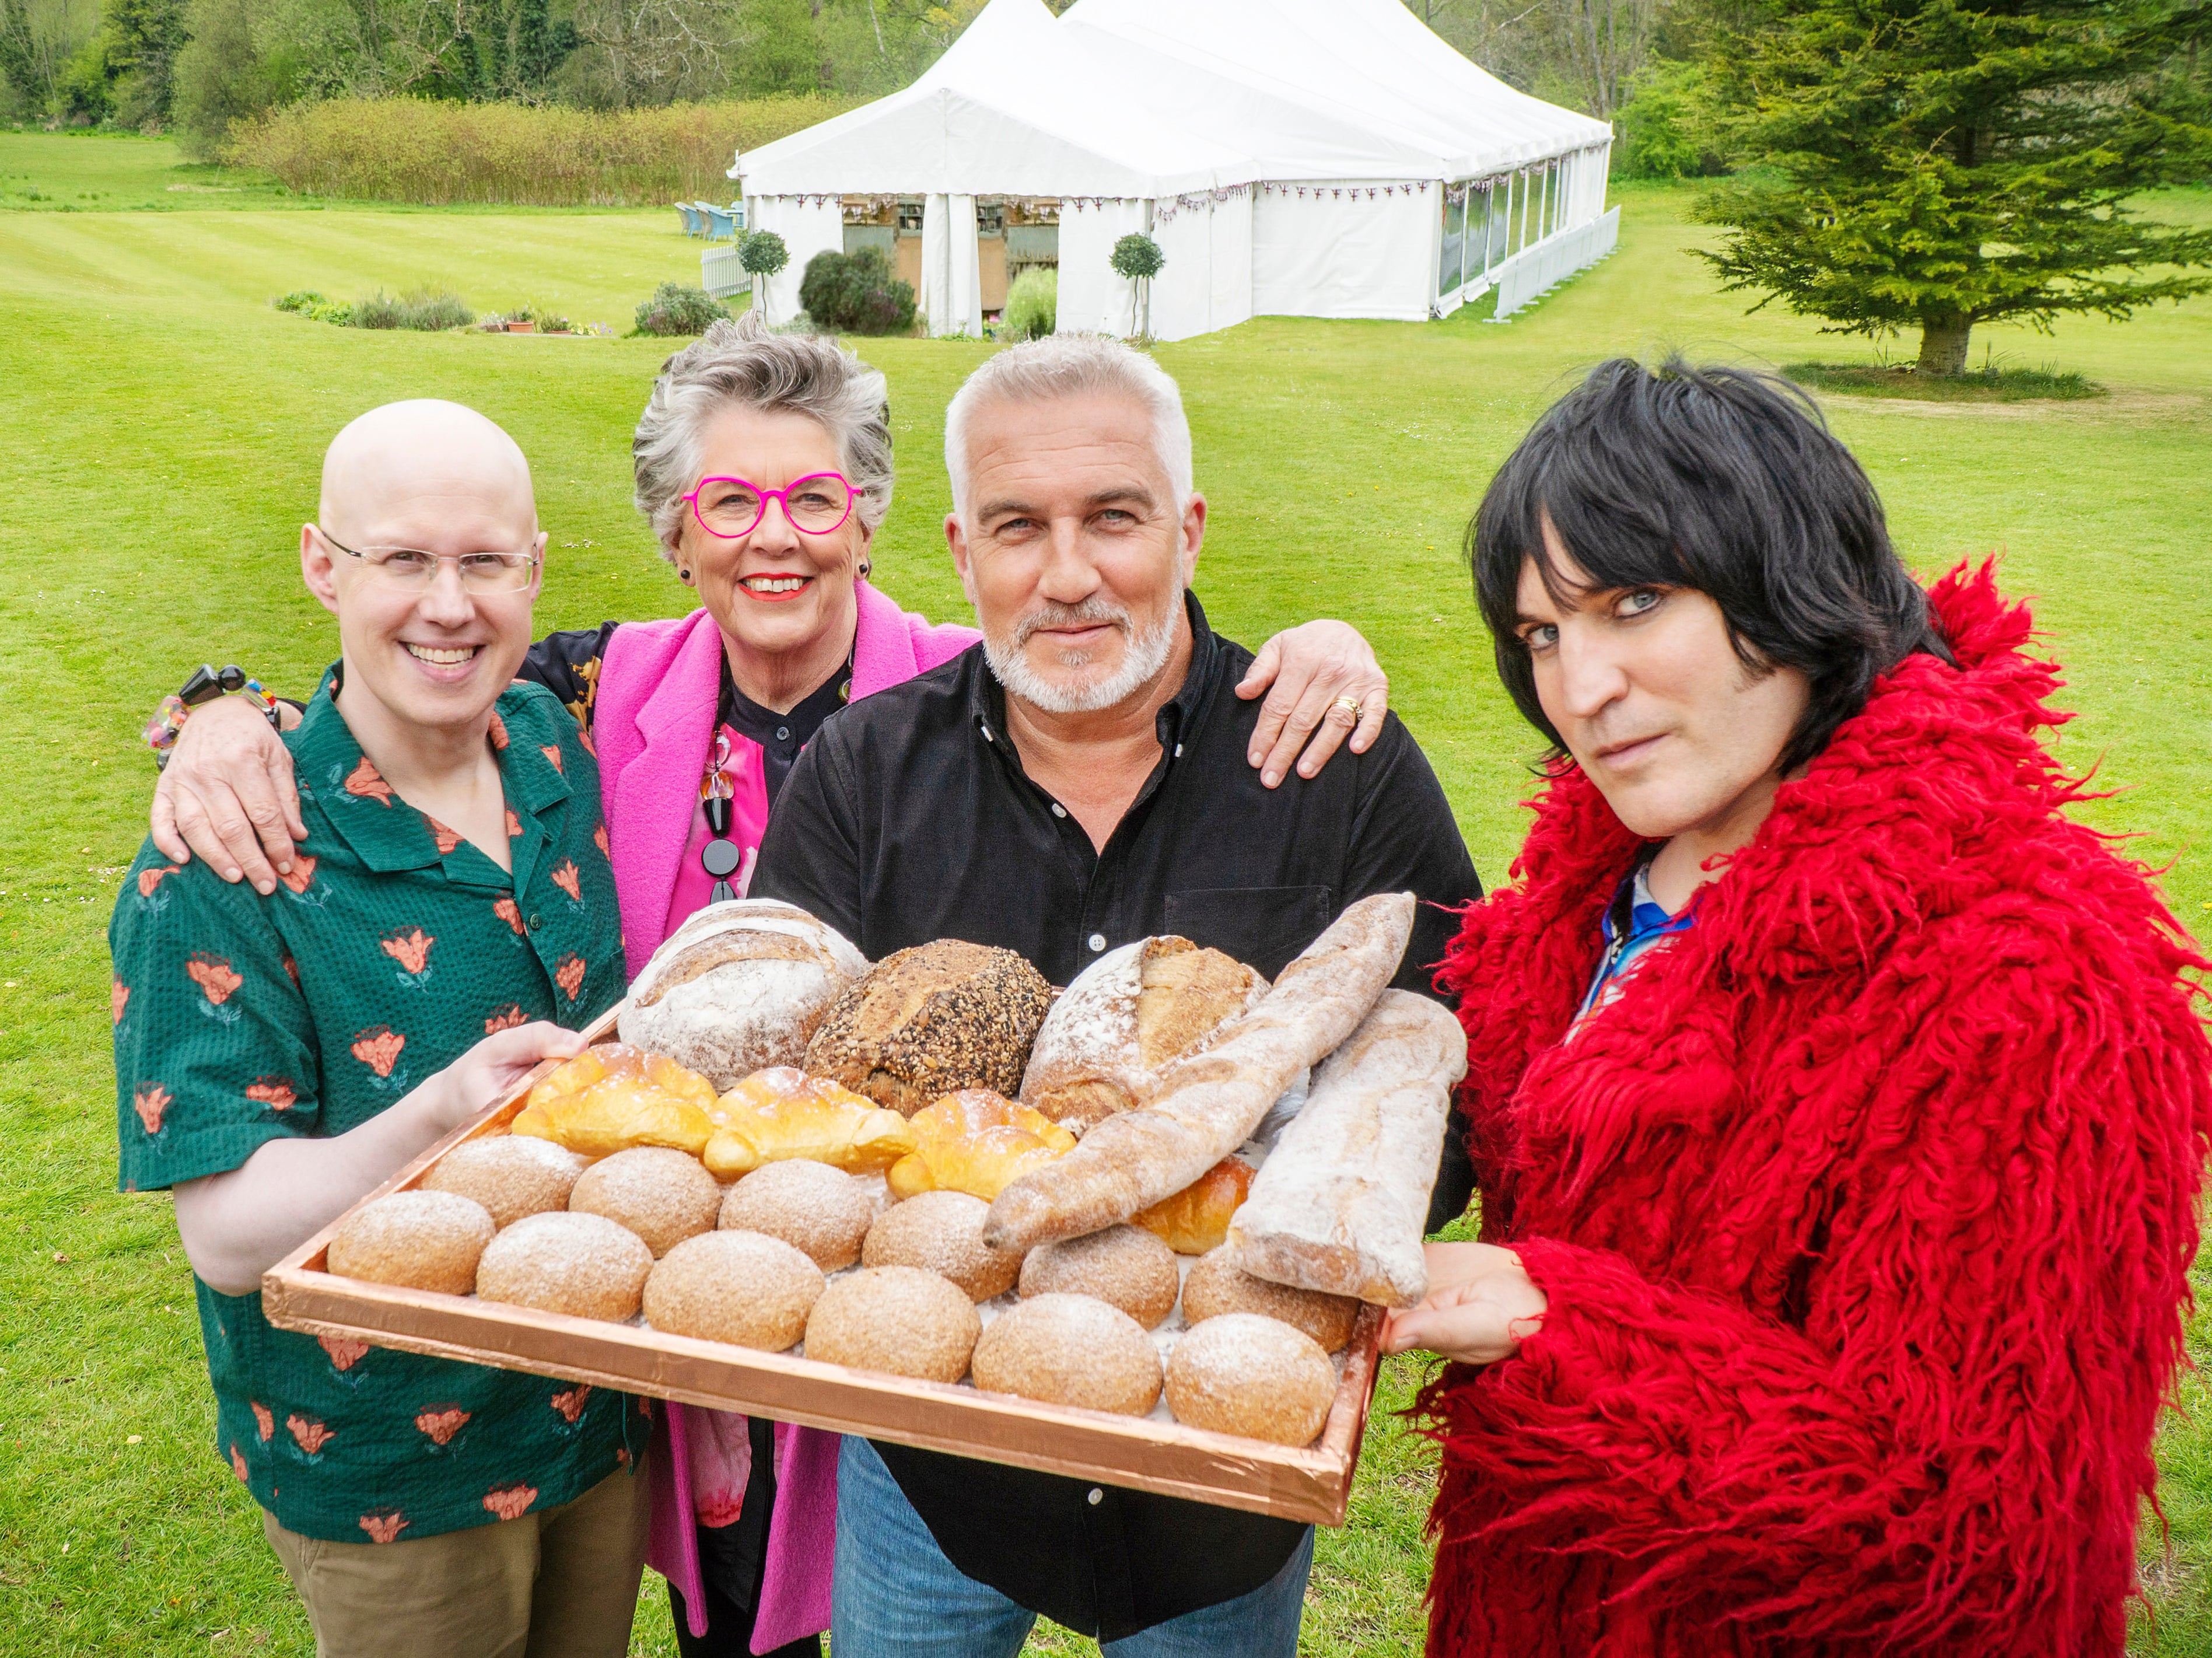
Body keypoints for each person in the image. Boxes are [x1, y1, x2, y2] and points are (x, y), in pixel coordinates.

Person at [143, 313, 1402, 1657]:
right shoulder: (584, 695)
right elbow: (416, 654)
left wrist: (1322, 639)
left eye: (814, 497)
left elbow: (1127, 648)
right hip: (687, 1283)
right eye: (728, 501)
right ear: (676, 536)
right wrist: (221, 706)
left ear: (869, 521)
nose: (774, 534)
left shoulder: (967, 689)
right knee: (733, 1615)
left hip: (914, 1287)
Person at [1383, 358, 2212, 1656]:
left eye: (1635, 601)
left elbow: (1980, 1543)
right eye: (1543, 631)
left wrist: (1554, 1319)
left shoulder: (2038, 980)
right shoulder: (1592, 886)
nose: (1579, 688)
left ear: (1794, 576)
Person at [750, 332, 1483, 1654]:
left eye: (1116, 518)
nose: (1070, 574)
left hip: (1218, 1480)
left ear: (1189, 530)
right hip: (934, 1465)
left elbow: (1449, 1101)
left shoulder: (1336, 764)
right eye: (1021, 527)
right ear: (964, 551)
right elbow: (778, 1104)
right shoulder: (864, 772)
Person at [110, 401, 655, 1658]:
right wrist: (436, 1117)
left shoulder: (551, 739)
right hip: (385, 1464)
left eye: (486, 561)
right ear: (322, 564)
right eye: (403, 559)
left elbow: (788, 623)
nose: (450, 605)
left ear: (536, 566)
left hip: (596, 1407)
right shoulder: (221, 856)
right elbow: (229, 1236)